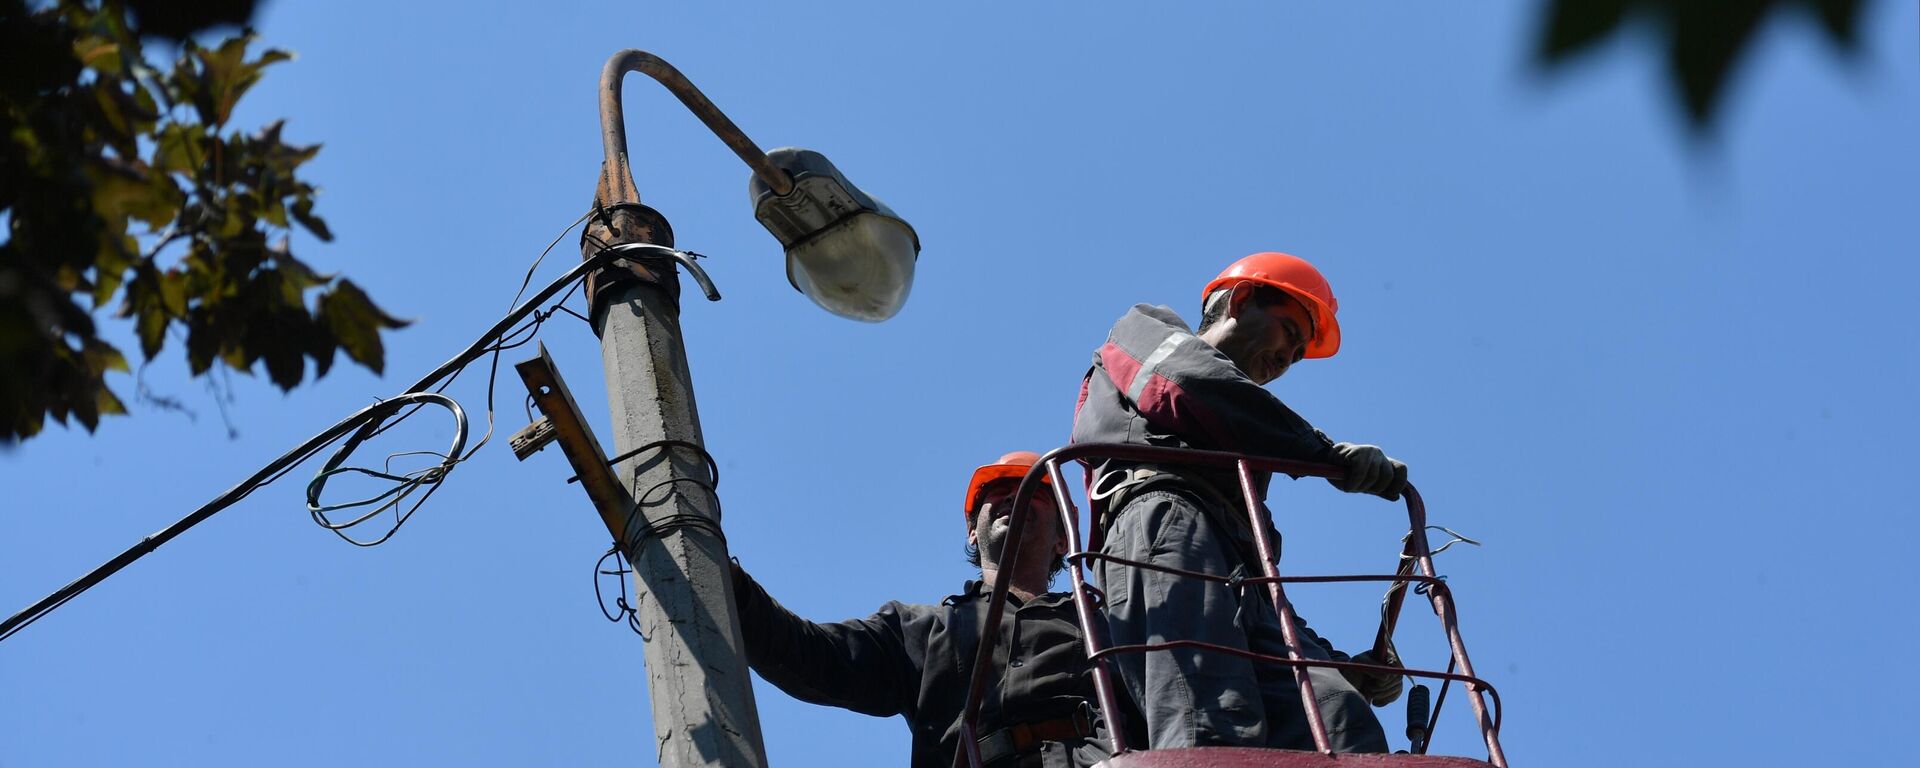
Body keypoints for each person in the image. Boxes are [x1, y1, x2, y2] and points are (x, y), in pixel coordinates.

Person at [1069, 251, 1406, 753]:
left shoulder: (1241, 440)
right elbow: (1188, 382)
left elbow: (1263, 598)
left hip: (1235, 565)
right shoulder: (1147, 330)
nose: (1285, 361)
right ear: (1242, 300)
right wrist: (1323, 453)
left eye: (1295, 357)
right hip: (1164, 524)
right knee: (1209, 723)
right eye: (1289, 335)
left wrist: (1341, 666)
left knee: (1338, 720)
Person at [731, 451, 1110, 768]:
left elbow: (1162, 697)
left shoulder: (1103, 622)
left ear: (1064, 538)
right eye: (997, 490)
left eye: (1036, 491)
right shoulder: (920, 630)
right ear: (972, 532)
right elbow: (810, 656)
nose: (1014, 495)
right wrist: (730, 584)